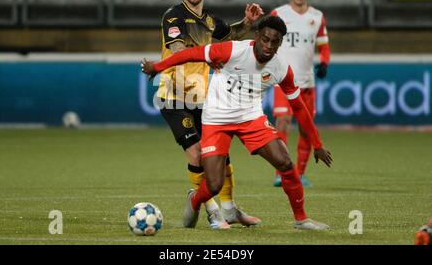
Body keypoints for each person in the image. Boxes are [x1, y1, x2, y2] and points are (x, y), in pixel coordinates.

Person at [142, 15, 333, 230]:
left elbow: (299, 107)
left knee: (286, 163)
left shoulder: (281, 68)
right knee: (214, 185)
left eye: (275, 42)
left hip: (251, 119)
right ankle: (195, 200)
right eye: (265, 39)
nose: (268, 46)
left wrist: (317, 145)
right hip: (217, 119)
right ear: (257, 36)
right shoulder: (232, 50)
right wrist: (158, 66)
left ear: (280, 43)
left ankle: (301, 219)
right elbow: (191, 54)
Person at [156, 0, 263, 229]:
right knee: (197, 154)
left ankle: (230, 209)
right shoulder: (173, 16)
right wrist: (207, 56)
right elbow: (179, 48)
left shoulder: (210, 20)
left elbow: (230, 35)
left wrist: (248, 23)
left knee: (220, 154)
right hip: (175, 96)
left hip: (205, 97)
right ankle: (212, 210)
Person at [270, 0, 331, 187]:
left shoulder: (317, 17)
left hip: (307, 83)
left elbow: (323, 46)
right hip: (283, 81)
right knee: (283, 123)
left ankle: (301, 173)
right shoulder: (278, 14)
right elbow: (266, 41)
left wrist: (324, 62)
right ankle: (281, 173)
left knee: (306, 128)